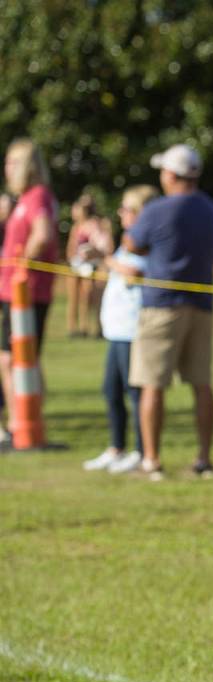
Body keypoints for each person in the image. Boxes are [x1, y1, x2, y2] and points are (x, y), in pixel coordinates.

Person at [123, 143, 213, 480]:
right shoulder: (211, 209)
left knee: (152, 384)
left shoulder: (157, 209)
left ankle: (151, 460)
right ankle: (204, 459)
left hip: (162, 305)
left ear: (170, 174)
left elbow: (132, 244)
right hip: (202, 306)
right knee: (202, 384)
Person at [82, 185, 158, 474]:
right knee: (111, 391)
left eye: (125, 208)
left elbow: (135, 272)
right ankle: (116, 447)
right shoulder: (127, 242)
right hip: (116, 329)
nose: (120, 213)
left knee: (134, 393)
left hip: (132, 329)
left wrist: (103, 258)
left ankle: (141, 451)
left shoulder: (144, 242)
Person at [1, 138, 59, 448]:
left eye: (11, 162)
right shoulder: (23, 198)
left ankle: (20, 425)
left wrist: (23, 264)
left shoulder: (37, 197)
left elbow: (43, 233)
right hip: (14, 292)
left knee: (16, 360)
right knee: (15, 360)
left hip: (27, 293)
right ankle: (22, 422)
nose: (6, 169)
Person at [65, 193, 112, 338]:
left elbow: (106, 246)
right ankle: (74, 328)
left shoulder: (99, 224)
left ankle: (90, 327)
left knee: (89, 296)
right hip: (77, 265)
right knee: (73, 297)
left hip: (93, 265)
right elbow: (71, 247)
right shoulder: (76, 227)